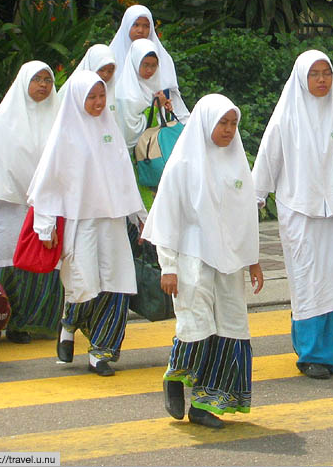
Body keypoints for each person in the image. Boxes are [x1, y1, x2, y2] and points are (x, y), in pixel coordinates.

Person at [141, 94, 264, 429]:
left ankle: (203, 405)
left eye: (233, 123)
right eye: (222, 123)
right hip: (193, 255)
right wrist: (168, 266)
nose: (227, 130)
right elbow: (167, 217)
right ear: (206, 122)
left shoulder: (237, 161)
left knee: (229, 328)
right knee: (196, 326)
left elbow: (245, 216)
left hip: (230, 260)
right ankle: (176, 378)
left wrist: (252, 260)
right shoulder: (183, 163)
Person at [251, 50, 333, 380]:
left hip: (332, 213)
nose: (320, 80)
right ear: (302, 78)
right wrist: (253, 203)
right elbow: (267, 163)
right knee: (307, 279)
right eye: (314, 74)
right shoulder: (286, 119)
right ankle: (310, 354)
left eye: (326, 74)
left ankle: (332, 353)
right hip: (299, 213)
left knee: (332, 278)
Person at [27, 70, 147, 376]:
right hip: (82, 222)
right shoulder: (65, 133)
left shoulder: (110, 128)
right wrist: (45, 225)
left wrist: (140, 216)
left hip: (113, 221)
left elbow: (124, 176)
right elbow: (47, 183)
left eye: (102, 96)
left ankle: (100, 352)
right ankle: (69, 322)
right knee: (84, 285)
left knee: (117, 285)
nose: (97, 102)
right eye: (91, 97)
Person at [0, 61, 64, 344]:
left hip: (45, 206)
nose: (42, 85)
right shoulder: (0, 122)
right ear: (23, 83)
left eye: (47, 80)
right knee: (6, 261)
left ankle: (23, 323)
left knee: (37, 264)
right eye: (36, 79)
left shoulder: (60, 119)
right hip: (6, 207)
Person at [109, 4, 189, 147]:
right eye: (136, 25)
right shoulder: (111, 58)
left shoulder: (163, 59)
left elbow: (174, 100)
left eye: (146, 26)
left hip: (158, 140)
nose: (141, 30)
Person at [115, 38, 189, 149]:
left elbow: (161, 122)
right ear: (135, 62)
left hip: (156, 151)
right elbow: (130, 134)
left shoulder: (154, 86)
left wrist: (165, 108)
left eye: (154, 65)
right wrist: (155, 107)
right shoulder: (125, 94)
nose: (150, 70)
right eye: (145, 65)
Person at [58, 45, 118, 121]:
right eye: (101, 69)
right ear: (91, 65)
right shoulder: (70, 92)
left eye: (110, 71)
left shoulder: (110, 90)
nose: (106, 75)